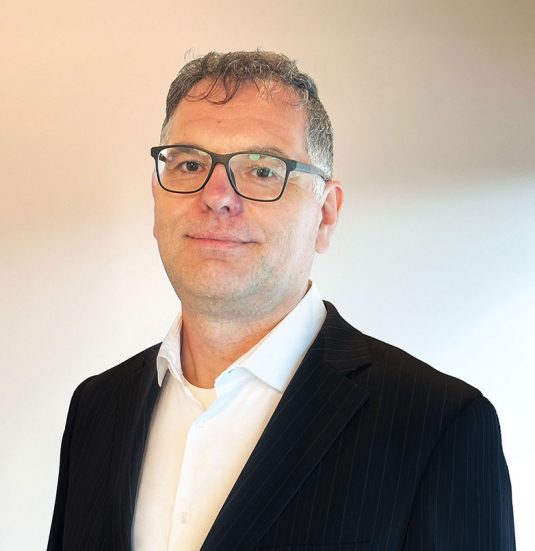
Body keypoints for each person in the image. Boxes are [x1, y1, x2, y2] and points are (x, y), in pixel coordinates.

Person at [47, 51, 515, 551]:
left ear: (326, 215)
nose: (217, 196)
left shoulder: (439, 426)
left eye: (263, 171)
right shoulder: (96, 408)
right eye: (190, 164)